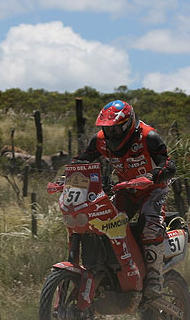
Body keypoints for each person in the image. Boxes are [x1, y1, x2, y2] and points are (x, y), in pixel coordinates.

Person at [72, 100, 176, 297]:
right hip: (125, 189)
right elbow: (84, 159)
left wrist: (152, 176)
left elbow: (169, 165)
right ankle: (110, 271)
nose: (110, 135)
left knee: (149, 226)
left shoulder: (148, 137)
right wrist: (66, 176)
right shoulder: (100, 140)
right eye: (107, 129)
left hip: (153, 189)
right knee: (104, 222)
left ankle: (155, 278)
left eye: (116, 130)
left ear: (128, 125)